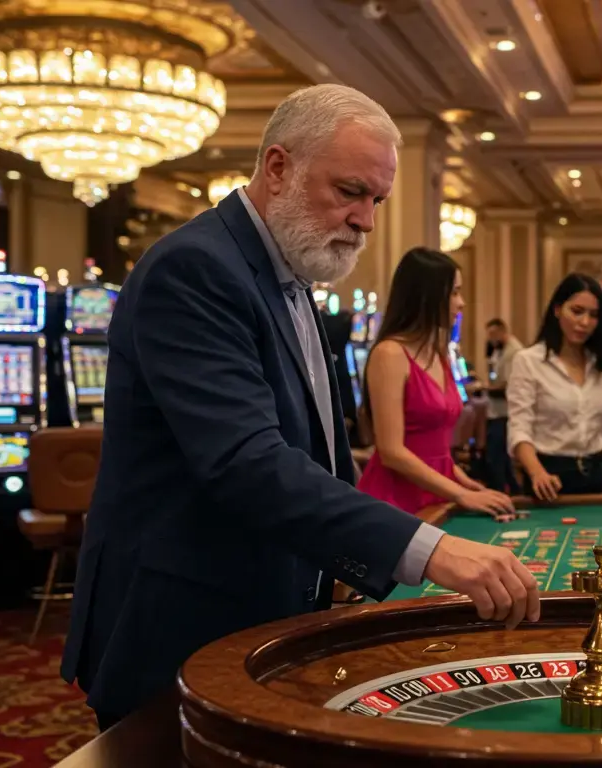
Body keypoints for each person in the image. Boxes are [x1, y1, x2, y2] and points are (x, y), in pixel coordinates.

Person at [60, 84, 539, 732]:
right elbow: (244, 461)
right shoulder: (196, 268)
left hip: (258, 613)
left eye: (378, 200)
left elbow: (316, 453)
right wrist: (428, 549)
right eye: (349, 192)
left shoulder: (291, 278)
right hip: (177, 621)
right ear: (278, 167)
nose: (367, 220)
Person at [357, 248, 514, 518]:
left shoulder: (438, 353)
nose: (461, 303)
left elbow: (437, 451)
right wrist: (461, 493)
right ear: (426, 297)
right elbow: (391, 452)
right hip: (396, 499)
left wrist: (466, 483)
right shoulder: (390, 354)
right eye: (454, 293)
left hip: (436, 489)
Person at [508, 273, 602, 499]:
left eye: (593, 315)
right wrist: (537, 473)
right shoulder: (528, 361)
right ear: (557, 310)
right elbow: (519, 429)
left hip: (597, 476)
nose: (584, 322)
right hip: (548, 480)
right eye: (577, 311)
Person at [483, 318, 523, 492]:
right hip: (497, 412)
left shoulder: (513, 352)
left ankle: (499, 494)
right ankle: (512, 494)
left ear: (502, 331)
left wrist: (483, 388)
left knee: (495, 458)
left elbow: (509, 386)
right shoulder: (500, 351)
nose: (490, 338)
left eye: (492, 334)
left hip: (505, 413)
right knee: (502, 461)